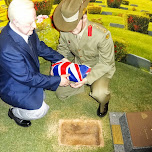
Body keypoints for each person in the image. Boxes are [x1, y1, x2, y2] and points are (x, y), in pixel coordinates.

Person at [0, 0, 70, 127]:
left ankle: (32, 96)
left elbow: (39, 47)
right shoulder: (7, 48)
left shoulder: (24, 28)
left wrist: (60, 59)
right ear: (15, 22)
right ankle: (14, 112)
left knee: (41, 95)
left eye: (34, 20)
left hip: (25, 75)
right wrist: (58, 80)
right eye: (29, 23)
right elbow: (27, 78)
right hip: (13, 85)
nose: (35, 26)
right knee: (39, 110)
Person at [53, 0, 116, 117]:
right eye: (68, 25)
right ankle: (82, 85)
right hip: (79, 66)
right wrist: (57, 66)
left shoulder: (102, 35)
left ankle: (103, 101)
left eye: (74, 25)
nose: (70, 29)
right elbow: (62, 51)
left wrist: (87, 79)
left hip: (99, 68)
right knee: (60, 92)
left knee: (99, 94)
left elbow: (106, 63)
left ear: (84, 18)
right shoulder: (65, 30)